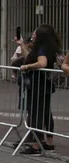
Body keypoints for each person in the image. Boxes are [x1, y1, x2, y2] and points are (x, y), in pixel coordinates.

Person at [17, 25, 62, 155]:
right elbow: (30, 56)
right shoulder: (52, 47)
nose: (33, 33)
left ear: (40, 35)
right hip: (47, 84)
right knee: (47, 112)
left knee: (37, 113)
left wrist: (27, 66)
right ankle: (49, 142)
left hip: (38, 84)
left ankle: (36, 145)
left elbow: (41, 63)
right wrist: (22, 45)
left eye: (35, 32)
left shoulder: (42, 48)